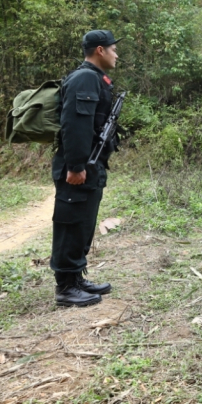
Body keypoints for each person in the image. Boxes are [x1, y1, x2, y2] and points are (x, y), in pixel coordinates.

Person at [50, 30, 123, 307]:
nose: (117, 55)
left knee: (82, 222)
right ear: (100, 50)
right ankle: (65, 288)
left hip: (90, 164)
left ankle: (76, 277)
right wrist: (76, 165)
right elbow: (75, 125)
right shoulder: (84, 79)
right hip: (79, 166)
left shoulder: (94, 79)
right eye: (114, 49)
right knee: (70, 223)